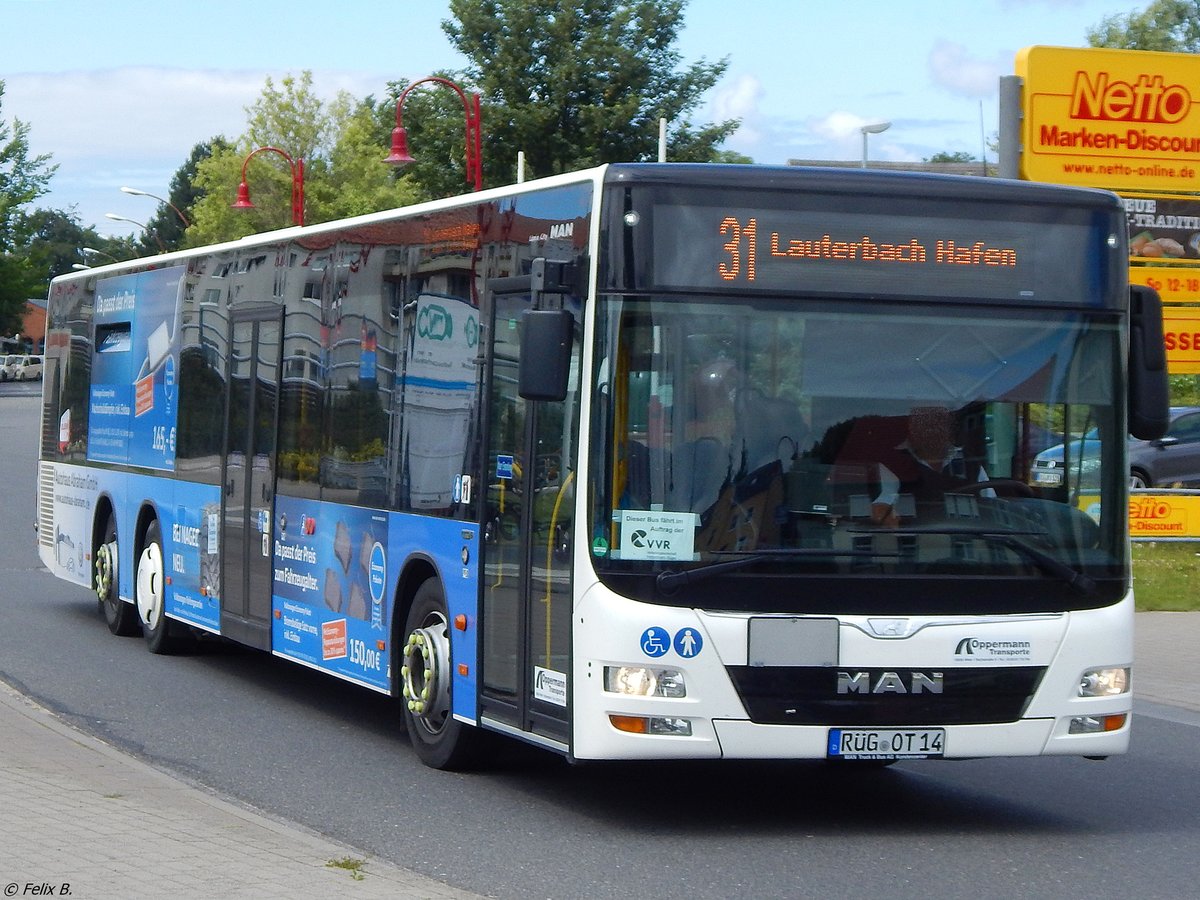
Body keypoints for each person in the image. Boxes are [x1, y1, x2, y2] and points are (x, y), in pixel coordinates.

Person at [869, 405, 990, 527]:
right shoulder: (893, 462)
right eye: (926, 424)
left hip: (968, 539)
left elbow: (991, 507)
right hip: (914, 540)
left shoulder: (970, 462)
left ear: (950, 428)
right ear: (912, 428)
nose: (933, 430)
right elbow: (882, 509)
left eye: (939, 423)